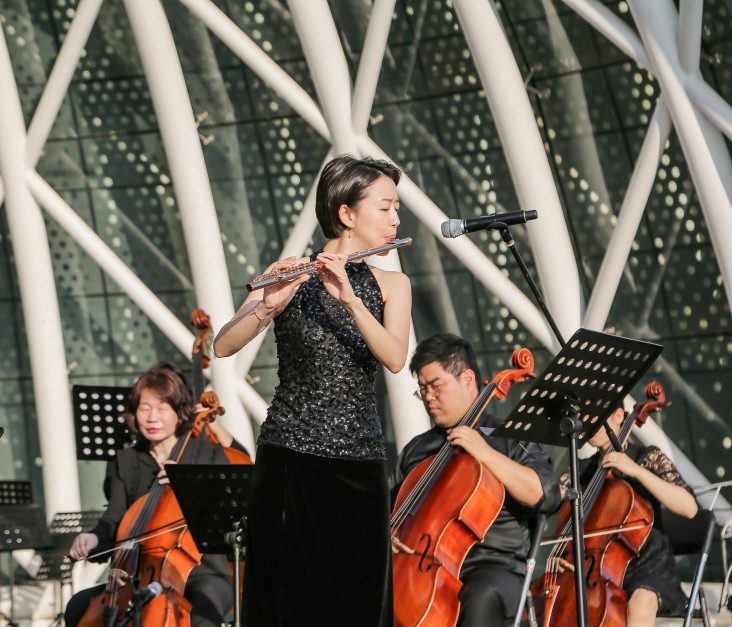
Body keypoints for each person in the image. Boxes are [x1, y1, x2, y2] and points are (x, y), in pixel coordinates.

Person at [214, 154, 412, 626]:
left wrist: (350, 299)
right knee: (285, 600)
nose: (395, 218)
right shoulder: (291, 274)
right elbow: (223, 344)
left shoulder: (392, 283)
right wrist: (269, 304)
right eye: (385, 208)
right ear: (347, 213)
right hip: (290, 458)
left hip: (360, 462)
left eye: (396, 208)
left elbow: (395, 357)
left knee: (358, 600)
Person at [391, 334, 561, 627]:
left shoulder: (507, 437)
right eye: (422, 390)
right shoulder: (416, 451)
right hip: (420, 566)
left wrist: (485, 453)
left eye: (436, 386)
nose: (429, 397)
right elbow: (392, 509)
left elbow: (546, 494)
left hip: (494, 567)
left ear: (467, 379)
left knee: (480, 596)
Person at [64, 367, 237, 627]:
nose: (152, 418)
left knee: (200, 614)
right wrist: (94, 537)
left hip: (201, 571)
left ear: (179, 413)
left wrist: (190, 485)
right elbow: (114, 517)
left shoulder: (207, 454)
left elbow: (230, 513)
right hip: (138, 573)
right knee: (78, 605)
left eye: (162, 409)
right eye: (144, 409)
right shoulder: (127, 460)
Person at [554, 406, 698, 624]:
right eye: (582, 417)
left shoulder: (647, 457)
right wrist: (561, 555)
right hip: (598, 573)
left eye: (593, 415)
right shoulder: (581, 471)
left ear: (619, 415)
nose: (587, 423)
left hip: (650, 569)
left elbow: (689, 507)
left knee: (641, 602)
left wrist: (636, 471)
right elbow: (547, 501)